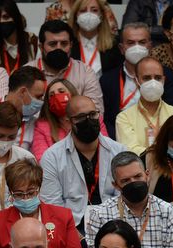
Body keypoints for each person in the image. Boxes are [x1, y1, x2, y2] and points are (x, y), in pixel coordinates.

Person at [85, 151, 173, 248]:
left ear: (147, 175)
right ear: (116, 185)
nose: (134, 183)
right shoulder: (100, 214)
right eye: (126, 180)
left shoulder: (168, 212)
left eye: (138, 176)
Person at [40, 95, 125, 228]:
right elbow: (53, 207)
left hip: (113, 225)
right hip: (72, 227)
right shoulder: (52, 157)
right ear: (68, 122)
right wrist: (76, 237)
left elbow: (124, 197)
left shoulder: (119, 151)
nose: (88, 120)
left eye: (92, 114)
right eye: (80, 117)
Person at [0, 159, 85, 248]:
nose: (25, 198)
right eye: (19, 194)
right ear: (10, 192)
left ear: (39, 189)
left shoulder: (63, 216)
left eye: (30, 192)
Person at [98, 24, 173, 138]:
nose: (136, 47)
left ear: (150, 46)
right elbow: (107, 120)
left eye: (142, 42)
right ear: (121, 48)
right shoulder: (108, 80)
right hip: (120, 139)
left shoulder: (166, 75)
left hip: (161, 137)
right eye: (131, 43)